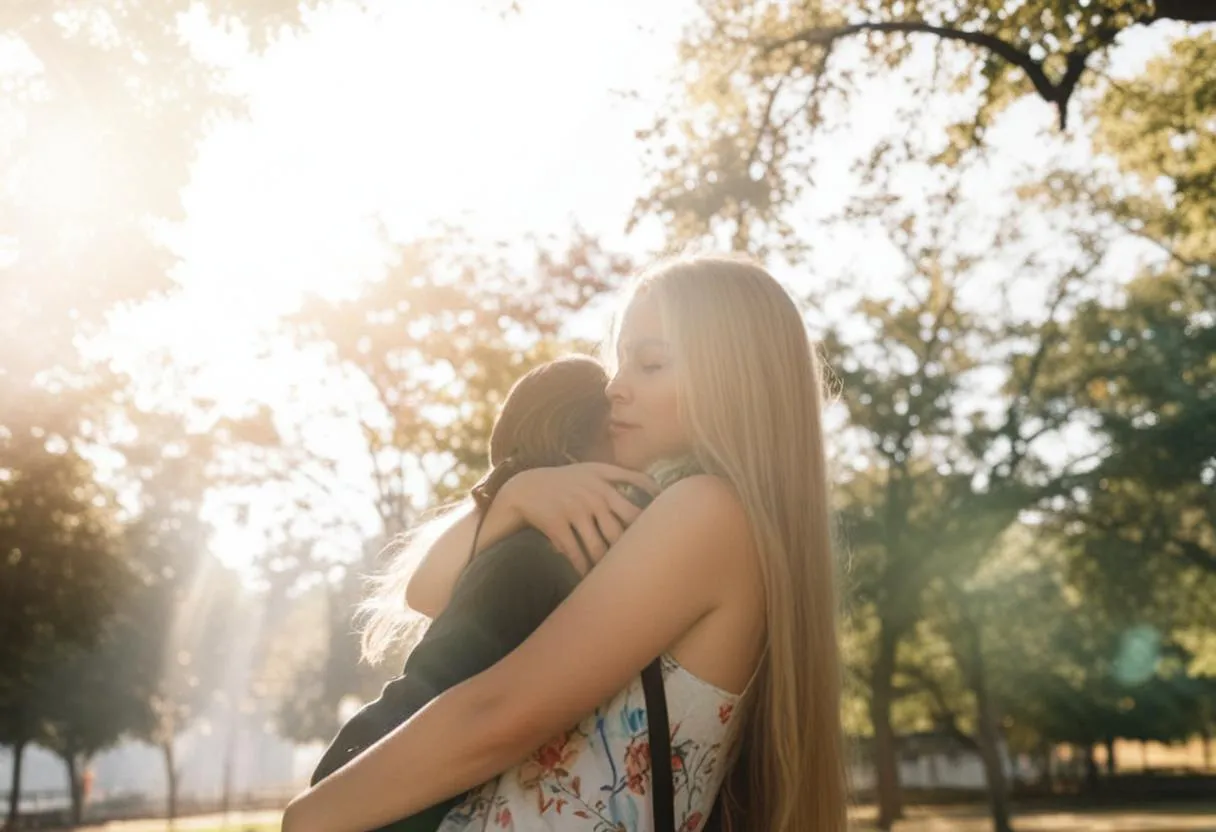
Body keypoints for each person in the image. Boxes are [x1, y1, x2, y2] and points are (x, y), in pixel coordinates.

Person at [283, 256, 847, 832]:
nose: (615, 387)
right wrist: (515, 496)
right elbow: (429, 591)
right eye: (621, 361)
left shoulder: (707, 511)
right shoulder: (678, 516)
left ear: (736, 380)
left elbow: (498, 715)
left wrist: (312, 817)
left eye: (649, 363)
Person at [310, 355, 656, 831]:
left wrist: (513, 493)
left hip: (376, 768)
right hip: (380, 782)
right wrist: (516, 494)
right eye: (614, 430)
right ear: (576, 452)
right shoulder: (535, 558)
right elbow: (430, 615)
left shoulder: (525, 542)